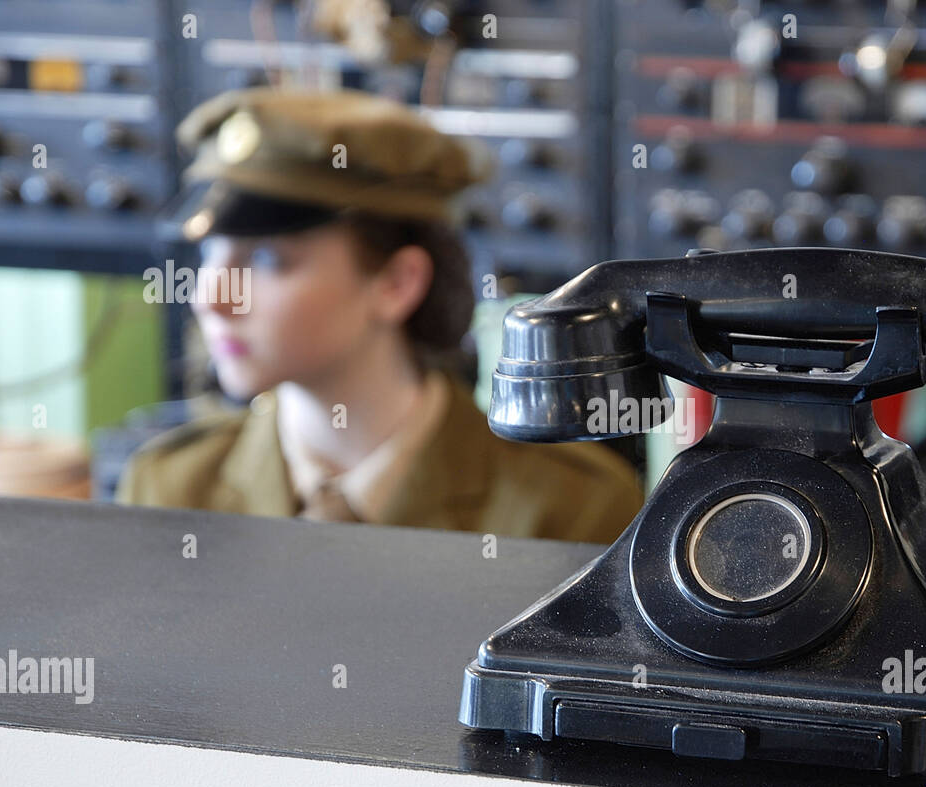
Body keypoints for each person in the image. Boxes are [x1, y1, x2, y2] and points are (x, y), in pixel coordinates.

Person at [117, 87, 643, 545]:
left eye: (267, 259)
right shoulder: (170, 491)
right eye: (211, 256)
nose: (212, 298)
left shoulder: (569, 510)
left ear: (397, 283)